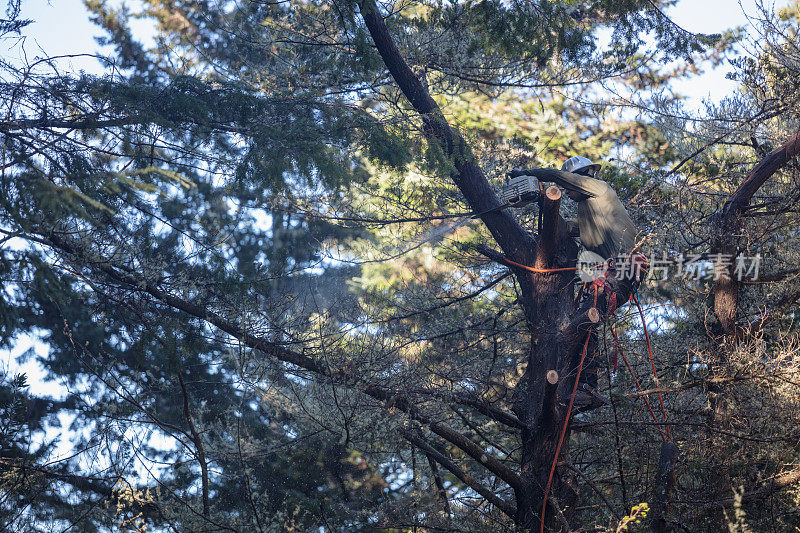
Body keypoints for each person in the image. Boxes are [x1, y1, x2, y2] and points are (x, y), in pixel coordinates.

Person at [508, 156, 638, 260]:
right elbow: (566, 229)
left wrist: (526, 173)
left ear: (579, 178)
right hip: (610, 272)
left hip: (624, 263)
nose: (566, 192)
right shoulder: (588, 210)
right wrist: (543, 202)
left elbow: (556, 175)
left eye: (568, 186)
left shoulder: (600, 188)